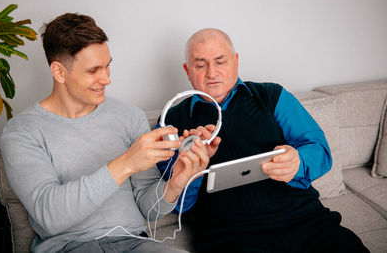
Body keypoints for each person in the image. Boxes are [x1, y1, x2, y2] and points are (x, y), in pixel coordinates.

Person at [0, 13, 211, 253]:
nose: (106, 79)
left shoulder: (129, 117)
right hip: (69, 248)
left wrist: (175, 182)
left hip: (135, 244)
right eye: (93, 70)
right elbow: (50, 216)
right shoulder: (21, 132)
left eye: (108, 66)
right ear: (59, 72)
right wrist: (126, 163)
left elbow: (148, 207)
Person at [157, 28, 369, 252]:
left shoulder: (272, 96)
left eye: (220, 62)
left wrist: (298, 162)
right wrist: (190, 169)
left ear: (236, 61)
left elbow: (319, 150)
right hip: (229, 237)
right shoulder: (171, 121)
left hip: (306, 223)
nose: (211, 73)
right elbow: (178, 205)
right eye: (200, 65)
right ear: (187, 70)